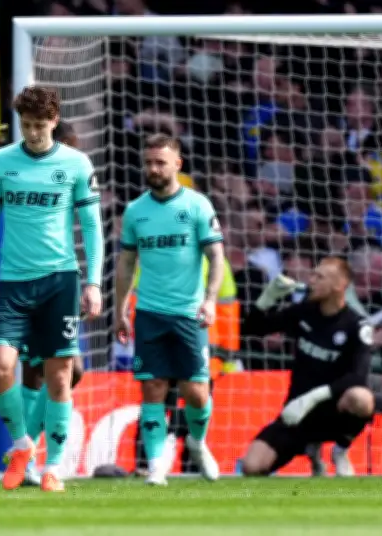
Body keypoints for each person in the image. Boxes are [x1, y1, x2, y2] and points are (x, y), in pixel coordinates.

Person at [0, 87, 104, 492]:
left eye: (39, 125)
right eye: (26, 125)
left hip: (59, 281)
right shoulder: (1, 161)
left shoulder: (76, 164)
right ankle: (22, 444)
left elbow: (92, 226)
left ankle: (54, 467)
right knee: (0, 367)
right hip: (13, 283)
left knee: (60, 375)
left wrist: (94, 282)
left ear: (54, 121)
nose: (32, 133)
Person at [115, 134, 223, 486]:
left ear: (177, 164)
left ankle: (197, 442)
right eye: (148, 162)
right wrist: (120, 310)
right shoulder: (135, 211)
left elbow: (216, 256)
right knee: (153, 387)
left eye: (160, 162)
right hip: (149, 313)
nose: (153, 169)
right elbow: (126, 263)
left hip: (189, 314)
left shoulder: (197, 205)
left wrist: (210, 299)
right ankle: (157, 464)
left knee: (196, 392)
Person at [239, 258, 377, 476]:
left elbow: (358, 376)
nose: (311, 280)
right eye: (312, 274)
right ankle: (311, 450)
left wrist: (313, 397)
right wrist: (267, 298)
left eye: (319, 277)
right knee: (251, 467)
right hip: (298, 412)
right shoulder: (304, 312)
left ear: (339, 285)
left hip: (334, 412)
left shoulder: (356, 325)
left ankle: (340, 451)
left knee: (362, 398)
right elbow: (251, 329)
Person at [15, 120, 87, 486]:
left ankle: (26, 454)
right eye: (74, 145)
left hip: (59, 281)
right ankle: (26, 455)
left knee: (60, 370)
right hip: (30, 281)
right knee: (42, 370)